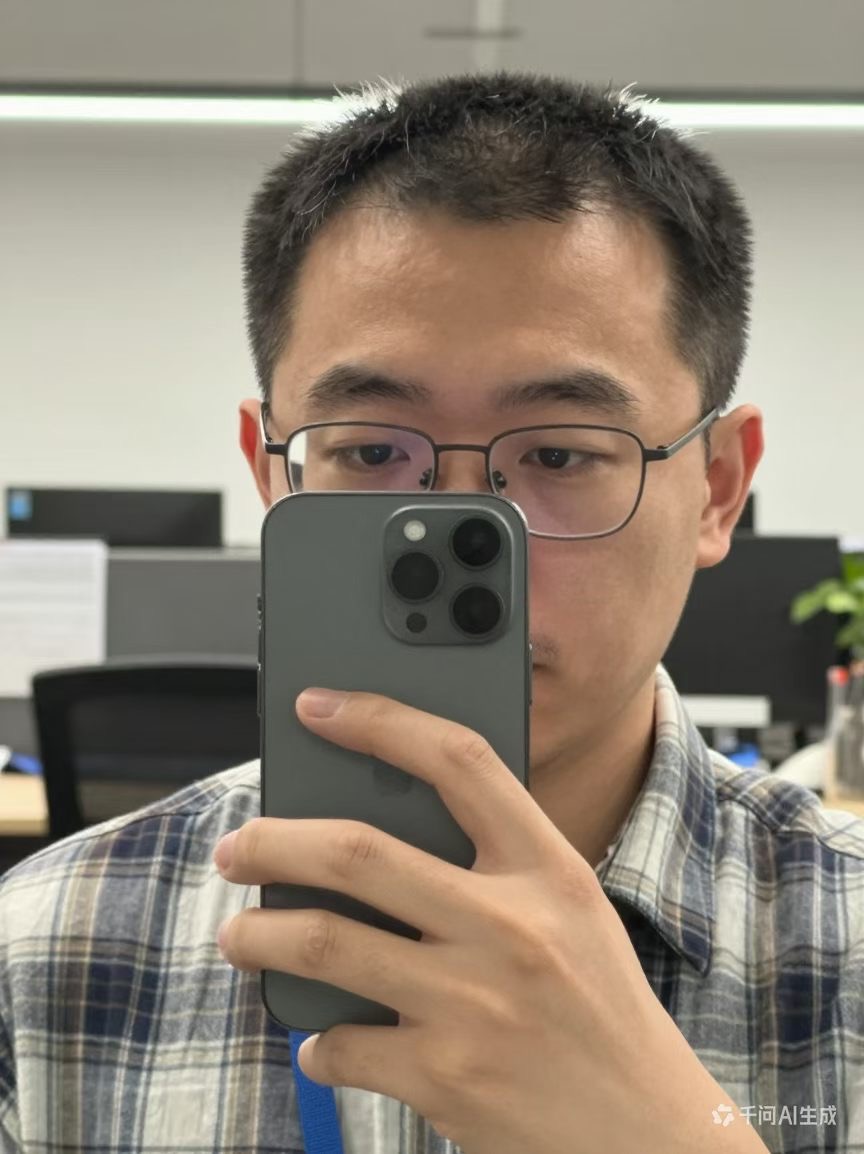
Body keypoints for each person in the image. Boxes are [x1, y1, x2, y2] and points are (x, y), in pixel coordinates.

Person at [0, 71, 861, 1154]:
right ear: (272, 473)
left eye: (560, 454)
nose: (473, 534)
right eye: (370, 450)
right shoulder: (43, 952)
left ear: (719, 487)